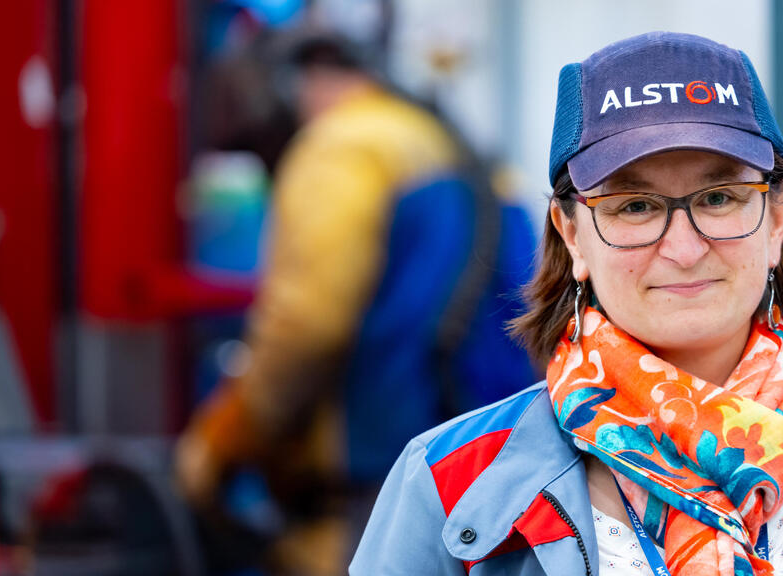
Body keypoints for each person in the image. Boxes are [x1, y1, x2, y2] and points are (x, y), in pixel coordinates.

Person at [349, 32, 783, 576]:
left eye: (719, 198)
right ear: (571, 235)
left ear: (777, 218)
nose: (684, 249)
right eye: (635, 207)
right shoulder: (449, 481)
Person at [176, 21, 536, 576]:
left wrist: (220, 444)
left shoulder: (341, 145)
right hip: (471, 470)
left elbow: (306, 325)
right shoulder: (433, 140)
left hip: (370, 489)